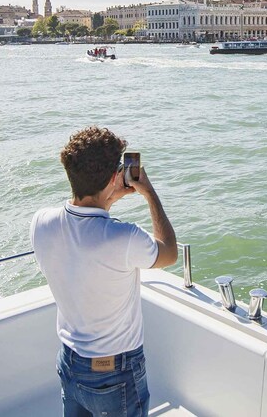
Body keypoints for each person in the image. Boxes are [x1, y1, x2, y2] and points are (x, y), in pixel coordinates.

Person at [30, 126, 177, 417]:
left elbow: (83, 232)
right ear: (114, 178)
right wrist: (149, 193)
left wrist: (106, 197)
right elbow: (169, 252)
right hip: (115, 372)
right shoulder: (123, 237)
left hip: (70, 364)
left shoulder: (41, 222)